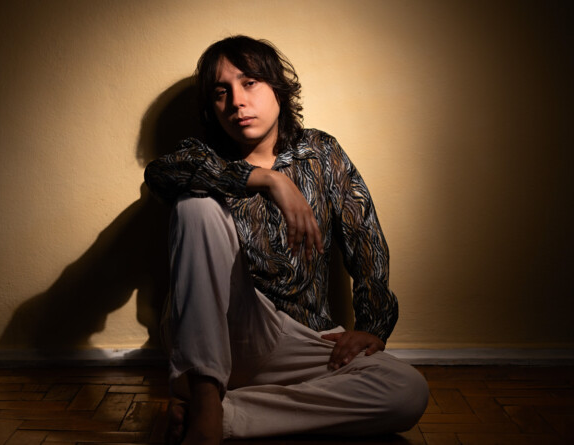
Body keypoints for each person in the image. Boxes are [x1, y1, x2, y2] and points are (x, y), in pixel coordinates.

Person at [145, 35, 428, 445]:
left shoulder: (321, 152)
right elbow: (159, 174)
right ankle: (205, 395)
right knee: (195, 205)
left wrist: (373, 326)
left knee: (406, 391)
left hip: (300, 339)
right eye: (221, 92)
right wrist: (266, 179)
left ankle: (222, 415)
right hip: (224, 329)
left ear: (277, 88)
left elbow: (365, 239)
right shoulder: (202, 157)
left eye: (249, 83)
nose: (237, 102)